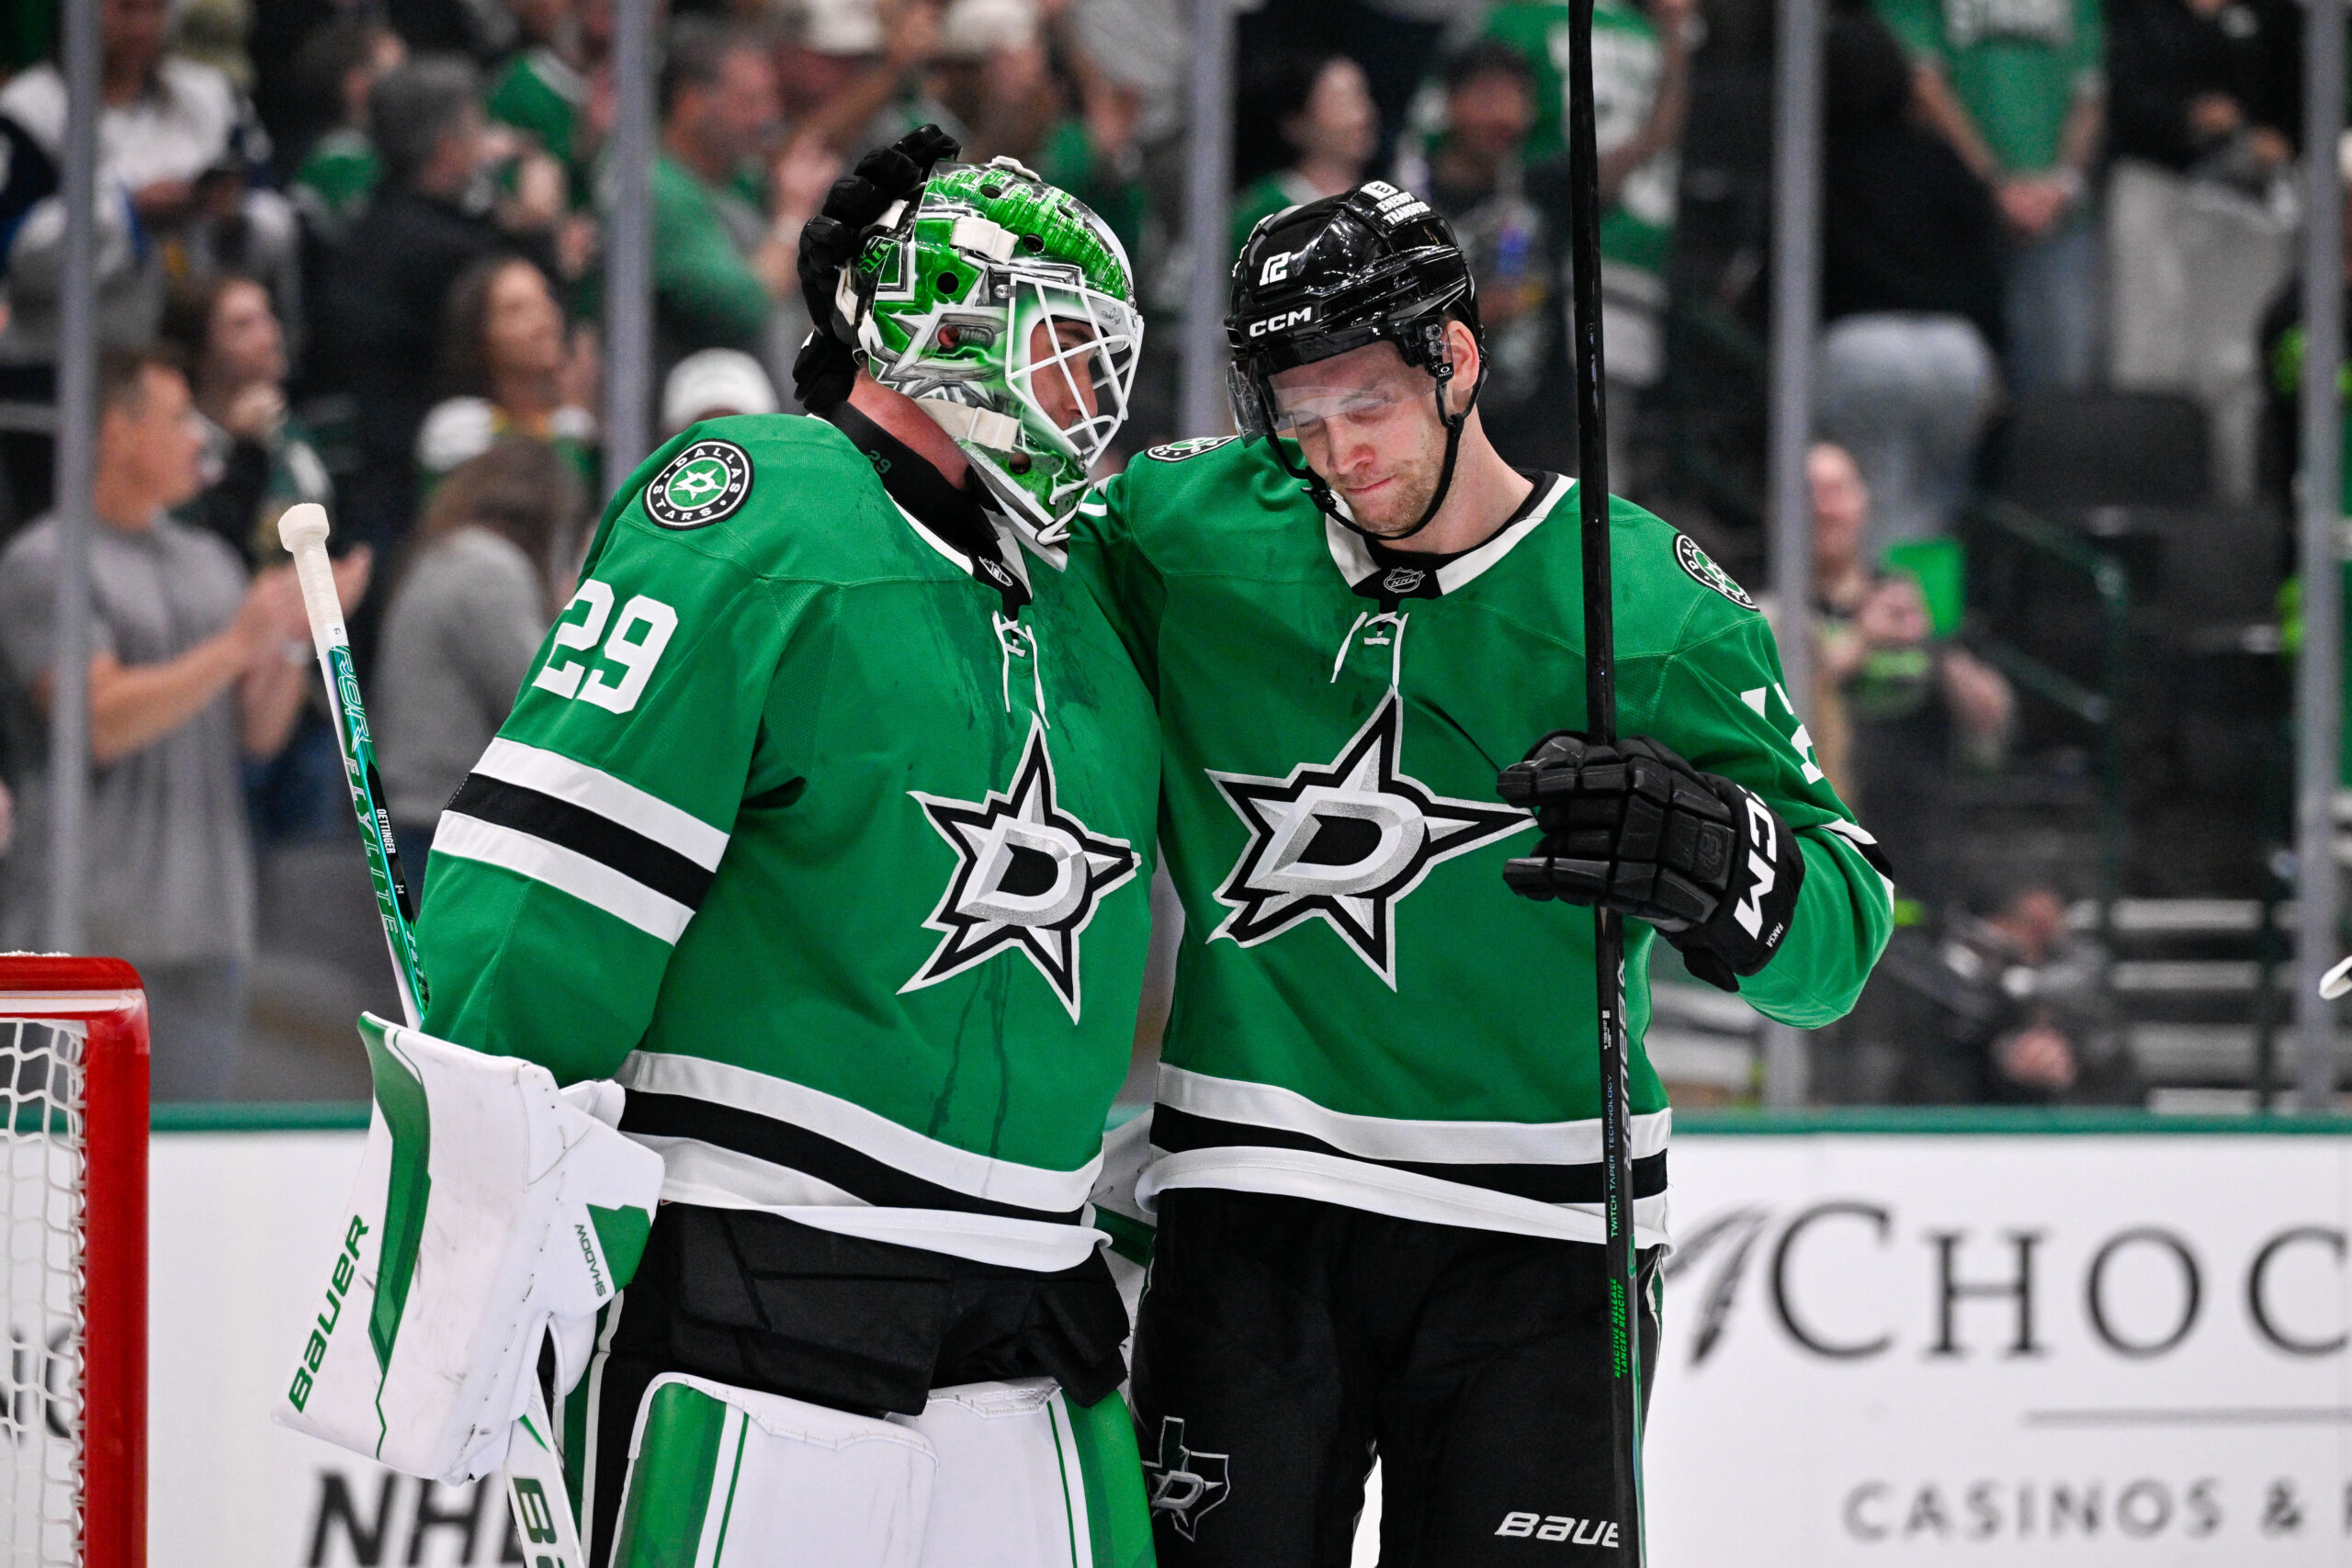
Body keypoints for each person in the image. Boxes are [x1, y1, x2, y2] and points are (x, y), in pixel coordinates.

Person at [1068, 186, 1891, 1562]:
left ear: (1454, 360)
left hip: (1547, 1225)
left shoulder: (1655, 610)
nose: (1335, 452)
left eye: (1367, 404)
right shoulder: (1182, 533)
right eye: (1301, 414)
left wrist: (1717, 855)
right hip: (1255, 1203)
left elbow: (1842, 941)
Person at [412, 135, 1158, 1563]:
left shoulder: (1080, 596)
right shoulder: (763, 501)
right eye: (1060, 351)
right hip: (771, 1252)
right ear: (945, 326)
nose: (1091, 401)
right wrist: (486, 1173)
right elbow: (555, 870)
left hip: (1030, 1286)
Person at [0, 346, 367, 1099]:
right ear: (117, 430)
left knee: (186, 1169)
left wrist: (296, 631)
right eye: (177, 420)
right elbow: (94, 719)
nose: (200, 439)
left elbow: (255, 734)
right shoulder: (46, 562)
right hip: (83, 932)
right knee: (65, 1176)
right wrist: (239, 643)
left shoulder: (209, 562)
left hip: (207, 922)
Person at [318, 54, 563, 554]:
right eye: (477, 125)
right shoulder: (443, 249)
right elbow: (534, 292)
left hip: (384, 465)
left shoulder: (372, 221)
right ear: (448, 147)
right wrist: (539, 227)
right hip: (418, 486)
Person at [1483, 0, 1692, 479]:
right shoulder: (1448, 184)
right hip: (1488, 365)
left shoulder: (1545, 184)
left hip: (1555, 344)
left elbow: (1611, 174)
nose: (1500, 113)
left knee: (1584, 465)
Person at [1817, 11, 2004, 547]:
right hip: (1954, 349)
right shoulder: (1939, 156)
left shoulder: (1818, 164)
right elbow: (1984, 261)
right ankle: (1927, 623)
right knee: (1939, 511)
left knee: (1870, 505)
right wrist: (1994, 349)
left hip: (1862, 347)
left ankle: (1885, 624)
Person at [1801, 442, 2011, 906]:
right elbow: (1780, 706)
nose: (1824, 508)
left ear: (1863, 502)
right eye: (1809, 493)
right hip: (1828, 858)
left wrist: (1934, 643)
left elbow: (1992, 718)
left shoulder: (1906, 596)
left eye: (1835, 490)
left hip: (1924, 856)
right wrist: (1861, 638)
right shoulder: (1768, 610)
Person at [1873, 0, 2107, 394]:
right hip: (1949, 219)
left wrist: (2062, 183)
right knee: (1950, 387)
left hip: (2059, 220)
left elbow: (2093, 84)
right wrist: (1988, 184)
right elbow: (1920, 82)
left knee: (2059, 394)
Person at [377, 438, 585, 877]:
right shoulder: (489, 571)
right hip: (447, 823)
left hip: (420, 811)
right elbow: (538, 702)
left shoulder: (444, 554)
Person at [650, 21, 837, 382]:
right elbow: (743, 308)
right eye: (749, 102)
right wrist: (792, 216)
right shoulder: (656, 190)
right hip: (698, 424)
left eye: (770, 99)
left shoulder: (739, 178)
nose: (767, 118)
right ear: (690, 104)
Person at [1846, 877, 2135, 1103]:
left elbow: (2123, 1088)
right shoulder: (1924, 989)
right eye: (2029, 928)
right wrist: (2002, 1065)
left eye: (2048, 933)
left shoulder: (2079, 997)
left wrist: (2069, 1067)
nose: (2032, 949)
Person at [160, 273, 334, 563]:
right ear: (200, 349)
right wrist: (245, 451)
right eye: (243, 325)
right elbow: (197, 543)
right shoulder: (178, 440)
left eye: (269, 317)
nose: (270, 336)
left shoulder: (291, 429)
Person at [413, 254, 599, 484]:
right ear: (480, 336)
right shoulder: (460, 433)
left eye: (546, 300)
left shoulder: (581, 429)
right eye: (516, 310)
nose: (544, 321)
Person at [1228, 51, 1376, 259]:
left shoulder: (1381, 202)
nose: (1361, 116)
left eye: (1362, 96)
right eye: (1340, 102)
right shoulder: (1263, 211)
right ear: (1296, 123)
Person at [288, 15, 409, 242]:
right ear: (357, 84)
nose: (412, 84)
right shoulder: (343, 160)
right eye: (399, 73)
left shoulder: (376, 149)